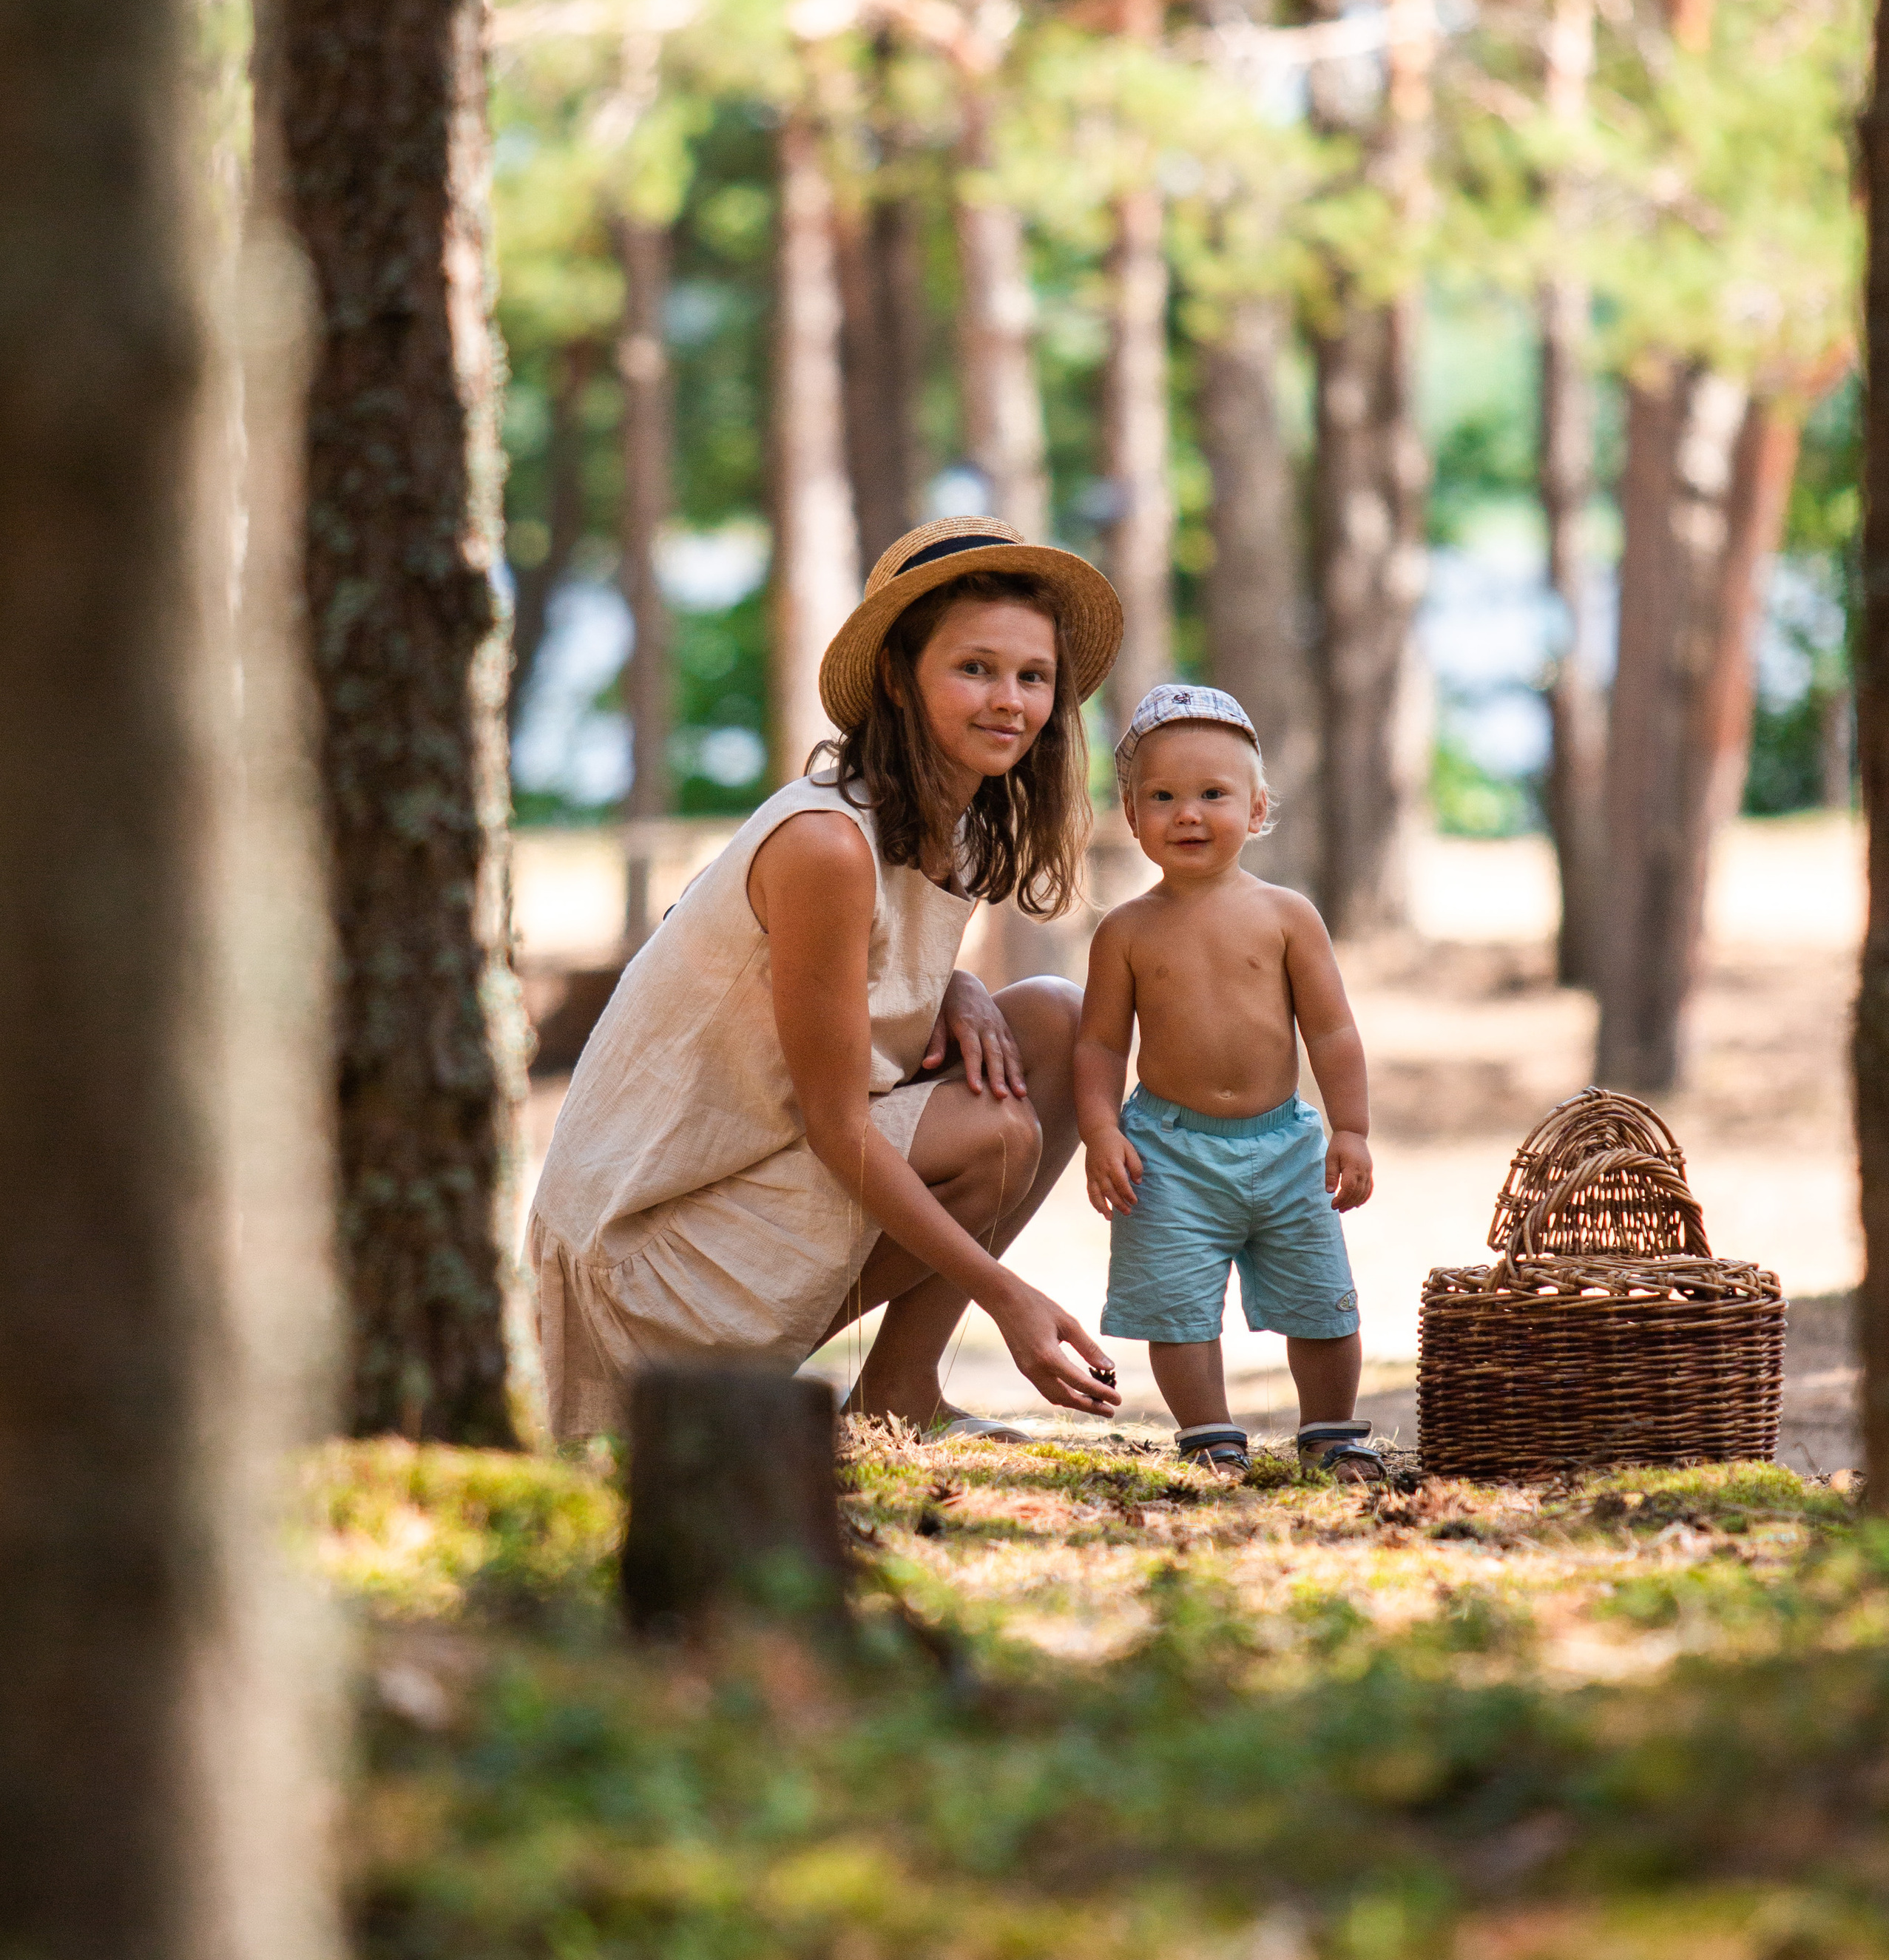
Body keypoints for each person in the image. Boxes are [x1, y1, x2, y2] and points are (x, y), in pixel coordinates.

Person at [529, 516, 1126, 1440]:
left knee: (1051, 1020)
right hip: (642, 1265)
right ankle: (893, 1400)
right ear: (896, 675)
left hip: (742, 1199)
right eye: (974, 668)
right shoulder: (823, 841)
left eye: (1032, 676)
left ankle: (898, 1399)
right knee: (995, 1128)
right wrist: (1006, 1296)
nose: (1009, 700)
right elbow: (837, 1125)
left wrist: (953, 986)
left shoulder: (949, 828)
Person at [1072, 684, 1379, 1478]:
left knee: (1321, 1297)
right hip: (1166, 1150)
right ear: (1132, 815)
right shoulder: (1125, 931)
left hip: (1282, 1145)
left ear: (1256, 809)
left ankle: (1331, 1432)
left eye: (1212, 794)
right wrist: (1101, 1130)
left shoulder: (1285, 915)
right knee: (1173, 1305)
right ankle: (1210, 1435)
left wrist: (1350, 1127)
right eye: (1162, 797)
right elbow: (1102, 1045)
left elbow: (1332, 1028)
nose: (1187, 814)